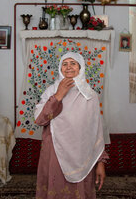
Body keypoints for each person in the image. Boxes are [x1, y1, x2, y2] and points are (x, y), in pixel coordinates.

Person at [34, 52, 109, 199]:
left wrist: (100, 162)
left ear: (80, 68)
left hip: (82, 154)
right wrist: (58, 96)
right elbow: (40, 120)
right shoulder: (51, 90)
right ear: (60, 68)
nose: (68, 67)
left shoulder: (90, 95)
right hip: (55, 152)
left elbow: (96, 131)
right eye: (65, 64)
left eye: (73, 63)